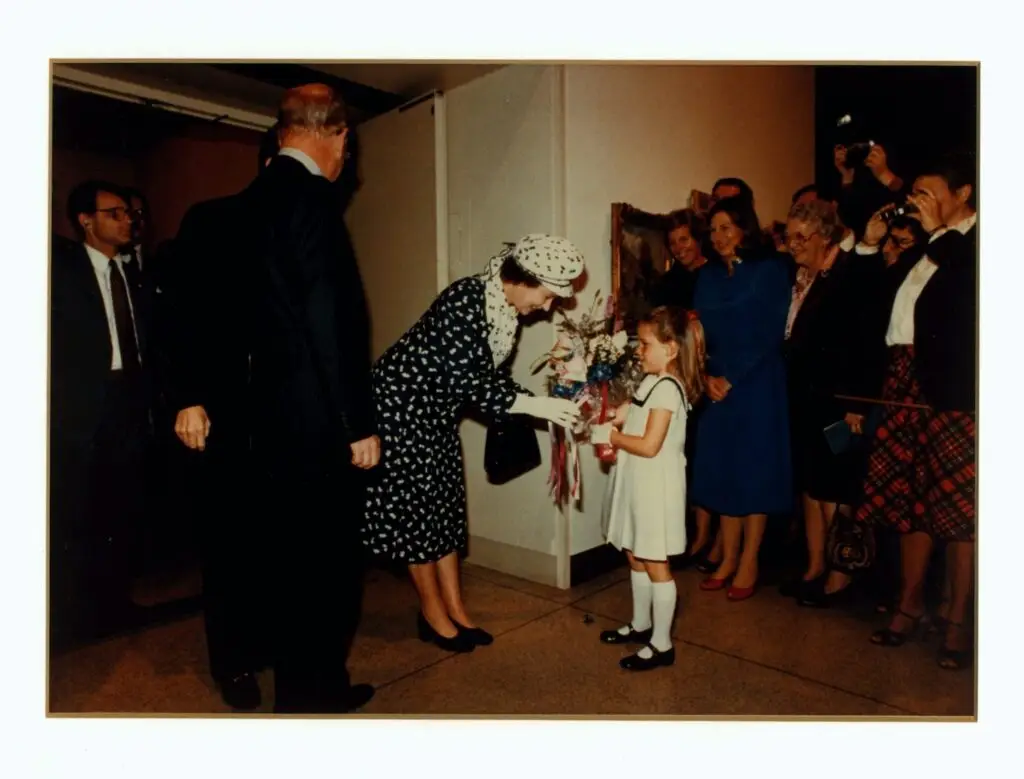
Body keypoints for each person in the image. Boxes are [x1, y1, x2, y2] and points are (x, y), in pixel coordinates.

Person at [188, 84, 378, 713]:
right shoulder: (314, 199)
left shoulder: (241, 206)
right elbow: (330, 323)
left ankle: (300, 691)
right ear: (338, 135)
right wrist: (356, 422)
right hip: (314, 424)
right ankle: (312, 699)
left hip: (259, 426)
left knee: (285, 566)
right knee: (325, 572)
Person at [364, 234, 585, 652]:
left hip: (436, 414)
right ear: (522, 279)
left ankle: (456, 609)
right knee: (418, 516)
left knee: (446, 508)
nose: (547, 307)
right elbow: (470, 384)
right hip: (400, 411)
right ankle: (432, 612)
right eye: (547, 296)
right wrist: (535, 406)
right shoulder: (466, 300)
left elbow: (492, 378)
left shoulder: (504, 312)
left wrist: (543, 402)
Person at [163, 126, 280, 711]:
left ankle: (272, 642)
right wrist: (188, 396)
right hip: (224, 410)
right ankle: (234, 663)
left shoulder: (312, 231)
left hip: (286, 415)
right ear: (272, 163)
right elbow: (180, 313)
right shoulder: (211, 219)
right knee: (229, 542)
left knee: (278, 541)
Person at [854, 153, 977, 671]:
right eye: (916, 194)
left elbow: (968, 295)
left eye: (929, 193)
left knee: (956, 510)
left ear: (963, 194)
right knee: (909, 500)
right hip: (904, 381)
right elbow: (872, 305)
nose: (918, 202)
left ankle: (957, 619)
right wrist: (868, 245)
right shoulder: (925, 248)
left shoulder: (974, 243)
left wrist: (936, 233)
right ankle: (909, 606)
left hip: (951, 389)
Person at [50, 181, 151, 649]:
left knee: (124, 506)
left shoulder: (134, 274)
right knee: (79, 510)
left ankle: (117, 602)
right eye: (115, 213)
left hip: (129, 401)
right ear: (86, 221)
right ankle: (75, 611)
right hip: (83, 407)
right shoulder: (60, 272)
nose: (127, 220)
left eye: (129, 213)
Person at [780, 199, 886, 607]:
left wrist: (856, 406)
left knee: (836, 484)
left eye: (800, 236)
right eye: (788, 236)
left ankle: (840, 576)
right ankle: (816, 567)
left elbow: (866, 343)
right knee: (812, 484)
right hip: (810, 401)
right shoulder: (809, 277)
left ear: (824, 236)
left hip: (841, 405)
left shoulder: (849, 272)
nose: (793, 243)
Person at [593, 306, 706, 671]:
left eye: (645, 344)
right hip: (638, 483)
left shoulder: (669, 389)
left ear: (670, 349)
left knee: (656, 562)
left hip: (655, 488)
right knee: (636, 554)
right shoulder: (651, 382)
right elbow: (635, 413)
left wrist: (612, 436)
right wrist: (617, 414)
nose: (638, 351)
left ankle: (662, 643)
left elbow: (649, 445)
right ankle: (641, 623)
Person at [690, 196, 792, 600]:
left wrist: (730, 377)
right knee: (722, 471)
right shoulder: (708, 275)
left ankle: (750, 559)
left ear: (744, 229)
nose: (718, 236)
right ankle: (728, 557)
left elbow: (771, 332)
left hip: (757, 382)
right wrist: (705, 375)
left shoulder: (770, 269)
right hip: (715, 383)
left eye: (726, 228)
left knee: (754, 472)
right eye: (713, 229)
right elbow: (697, 333)